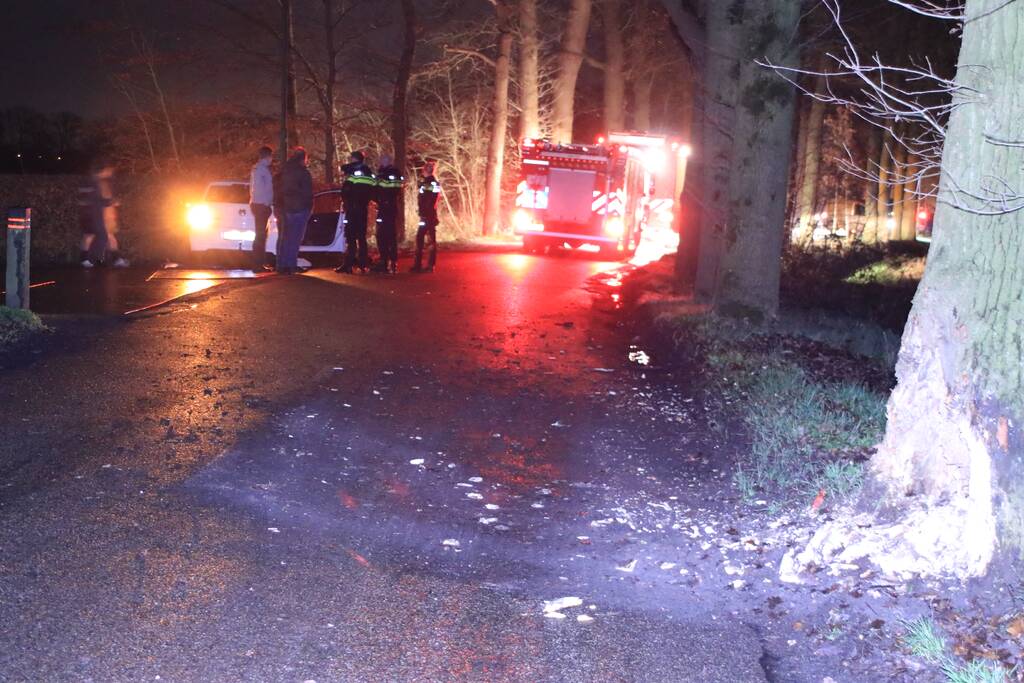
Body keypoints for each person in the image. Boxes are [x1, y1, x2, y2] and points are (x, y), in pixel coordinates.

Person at [79, 160, 129, 268]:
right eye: (109, 170)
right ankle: (86, 259)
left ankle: (114, 259)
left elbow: (102, 199)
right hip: (92, 214)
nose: (111, 172)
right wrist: (110, 203)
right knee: (90, 235)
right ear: (103, 170)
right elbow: (96, 199)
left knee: (108, 235)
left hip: (100, 214)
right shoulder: (93, 182)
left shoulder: (101, 182)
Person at [335, 150, 376, 274]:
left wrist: (345, 198)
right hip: (362, 208)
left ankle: (348, 264)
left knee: (351, 236)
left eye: (351, 159)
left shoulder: (353, 172)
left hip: (352, 208)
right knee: (361, 237)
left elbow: (347, 188)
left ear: (355, 159)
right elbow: (372, 189)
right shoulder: (369, 173)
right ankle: (363, 264)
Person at [278, 147, 313, 274]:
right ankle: (291, 265)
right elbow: (307, 192)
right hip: (300, 208)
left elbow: (280, 189)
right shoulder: (303, 172)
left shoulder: (285, 171)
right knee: (296, 238)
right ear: (304, 158)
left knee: (287, 237)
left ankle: (283, 265)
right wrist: (309, 207)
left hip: (288, 208)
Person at [373, 154, 404, 274]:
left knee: (387, 235)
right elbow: (376, 189)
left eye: (383, 159)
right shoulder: (382, 173)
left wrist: (381, 199)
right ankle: (386, 260)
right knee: (383, 235)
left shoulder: (391, 173)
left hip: (388, 208)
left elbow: (393, 190)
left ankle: (390, 261)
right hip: (384, 207)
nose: (381, 161)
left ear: (388, 161)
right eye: (381, 159)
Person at [412, 162, 441, 273]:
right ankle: (427, 265)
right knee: (429, 239)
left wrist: (424, 214)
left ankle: (421, 265)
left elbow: (429, 200)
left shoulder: (430, 182)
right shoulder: (431, 182)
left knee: (422, 239)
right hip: (429, 215)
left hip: (427, 215)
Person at [249, 145, 274, 271]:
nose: (272, 159)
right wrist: (267, 203)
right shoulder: (263, 170)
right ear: (267, 156)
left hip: (257, 204)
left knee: (260, 234)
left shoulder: (256, 169)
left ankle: (258, 263)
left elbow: (253, 188)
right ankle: (258, 264)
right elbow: (265, 189)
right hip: (261, 205)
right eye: (271, 156)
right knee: (260, 235)